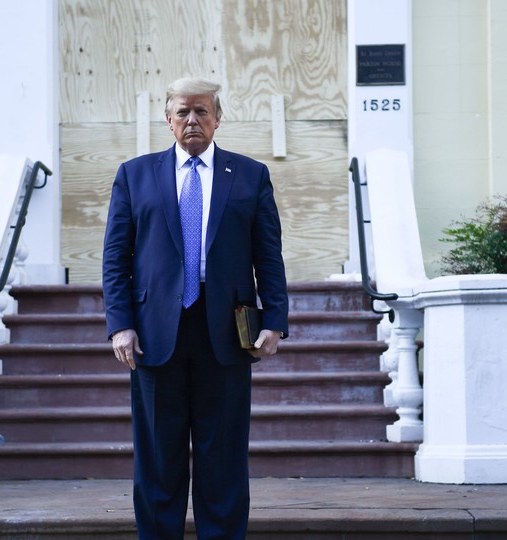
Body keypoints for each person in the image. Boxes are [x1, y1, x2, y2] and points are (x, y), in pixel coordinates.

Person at [102, 77, 289, 539]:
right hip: (153, 333)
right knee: (157, 457)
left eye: (202, 111)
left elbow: (268, 254)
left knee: (222, 455)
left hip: (226, 330)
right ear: (168, 120)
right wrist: (120, 324)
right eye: (183, 112)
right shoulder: (135, 175)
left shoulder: (249, 175)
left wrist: (276, 320)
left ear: (218, 118)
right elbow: (115, 257)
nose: (192, 120)